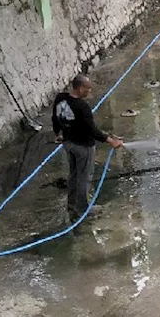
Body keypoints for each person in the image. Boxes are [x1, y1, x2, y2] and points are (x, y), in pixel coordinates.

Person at [52, 74, 124, 225]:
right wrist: (111, 141)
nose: (89, 91)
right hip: (83, 147)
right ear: (80, 88)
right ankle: (83, 209)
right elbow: (91, 130)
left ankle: (71, 205)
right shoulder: (82, 107)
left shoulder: (60, 98)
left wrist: (58, 133)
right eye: (88, 88)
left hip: (68, 143)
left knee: (73, 174)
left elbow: (55, 117)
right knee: (84, 177)